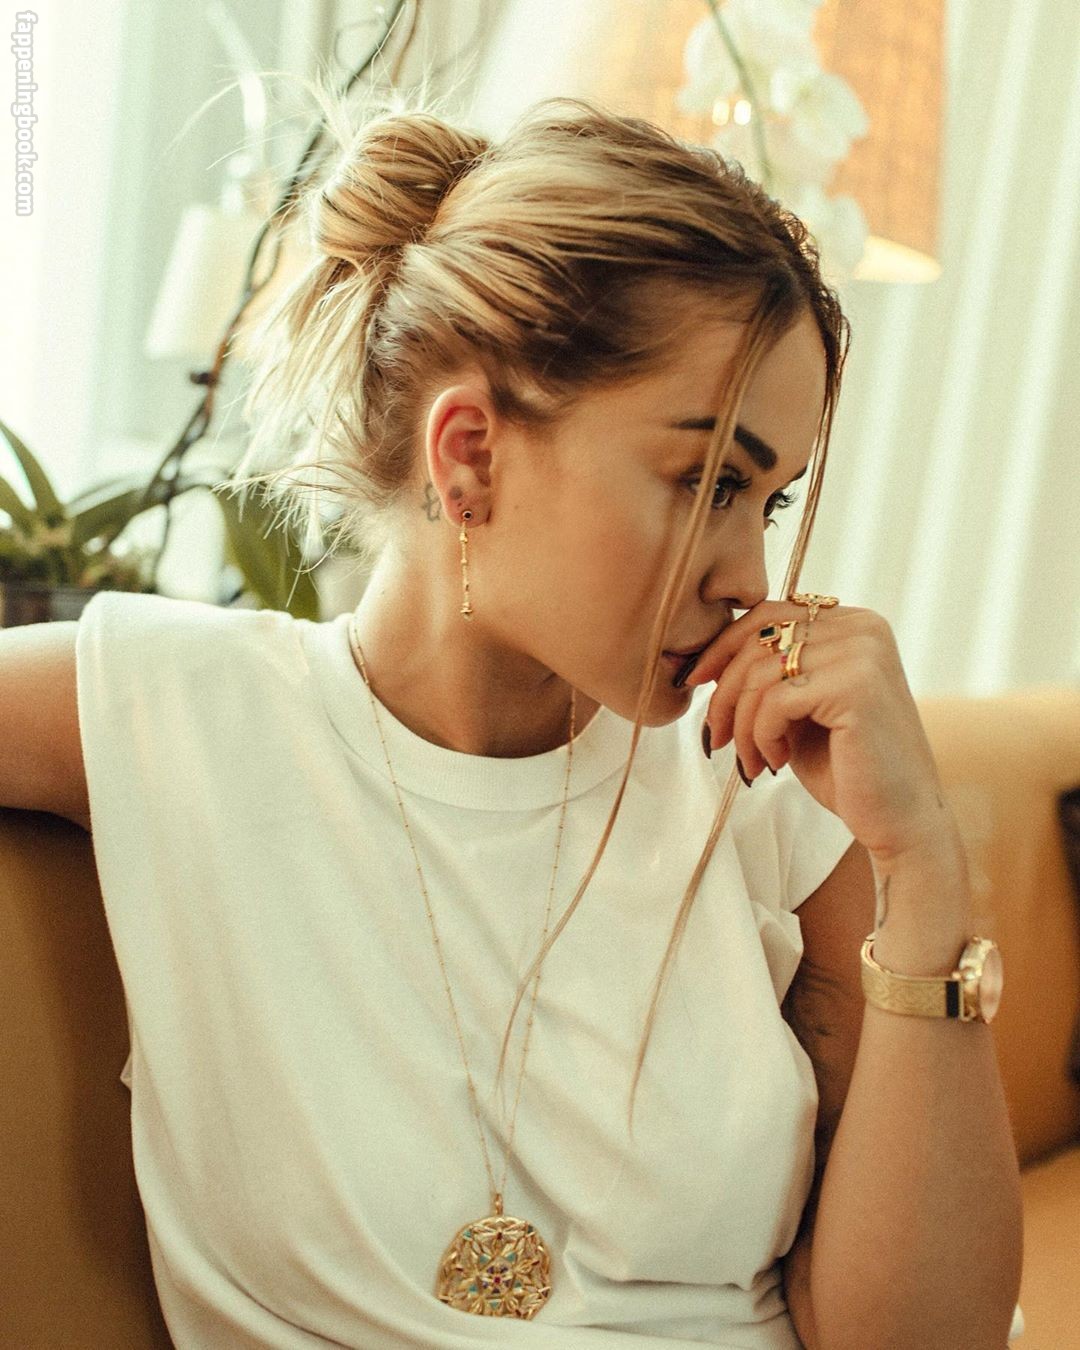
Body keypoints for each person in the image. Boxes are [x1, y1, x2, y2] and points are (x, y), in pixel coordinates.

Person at [73, 83, 1023, 1349]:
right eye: (707, 481)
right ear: (469, 454)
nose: (752, 578)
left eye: (771, 503)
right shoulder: (183, 709)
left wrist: (924, 868)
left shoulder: (763, 782)